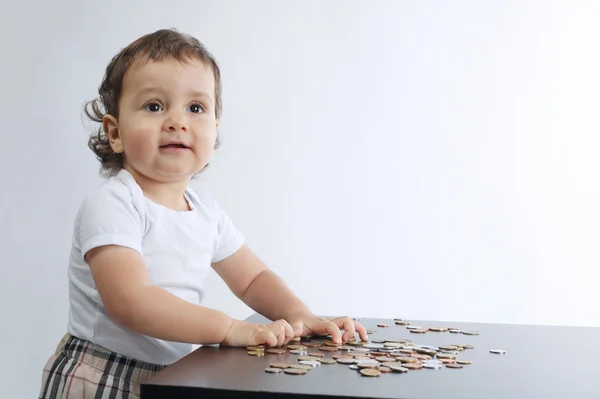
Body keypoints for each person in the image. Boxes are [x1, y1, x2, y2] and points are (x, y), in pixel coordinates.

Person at [38, 28, 367, 399]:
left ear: (214, 129)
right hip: (104, 372)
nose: (177, 121)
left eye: (195, 108)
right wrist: (227, 329)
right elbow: (131, 301)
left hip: (174, 373)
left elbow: (252, 277)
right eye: (154, 106)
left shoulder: (205, 211)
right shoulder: (114, 203)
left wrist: (300, 314)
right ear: (115, 132)